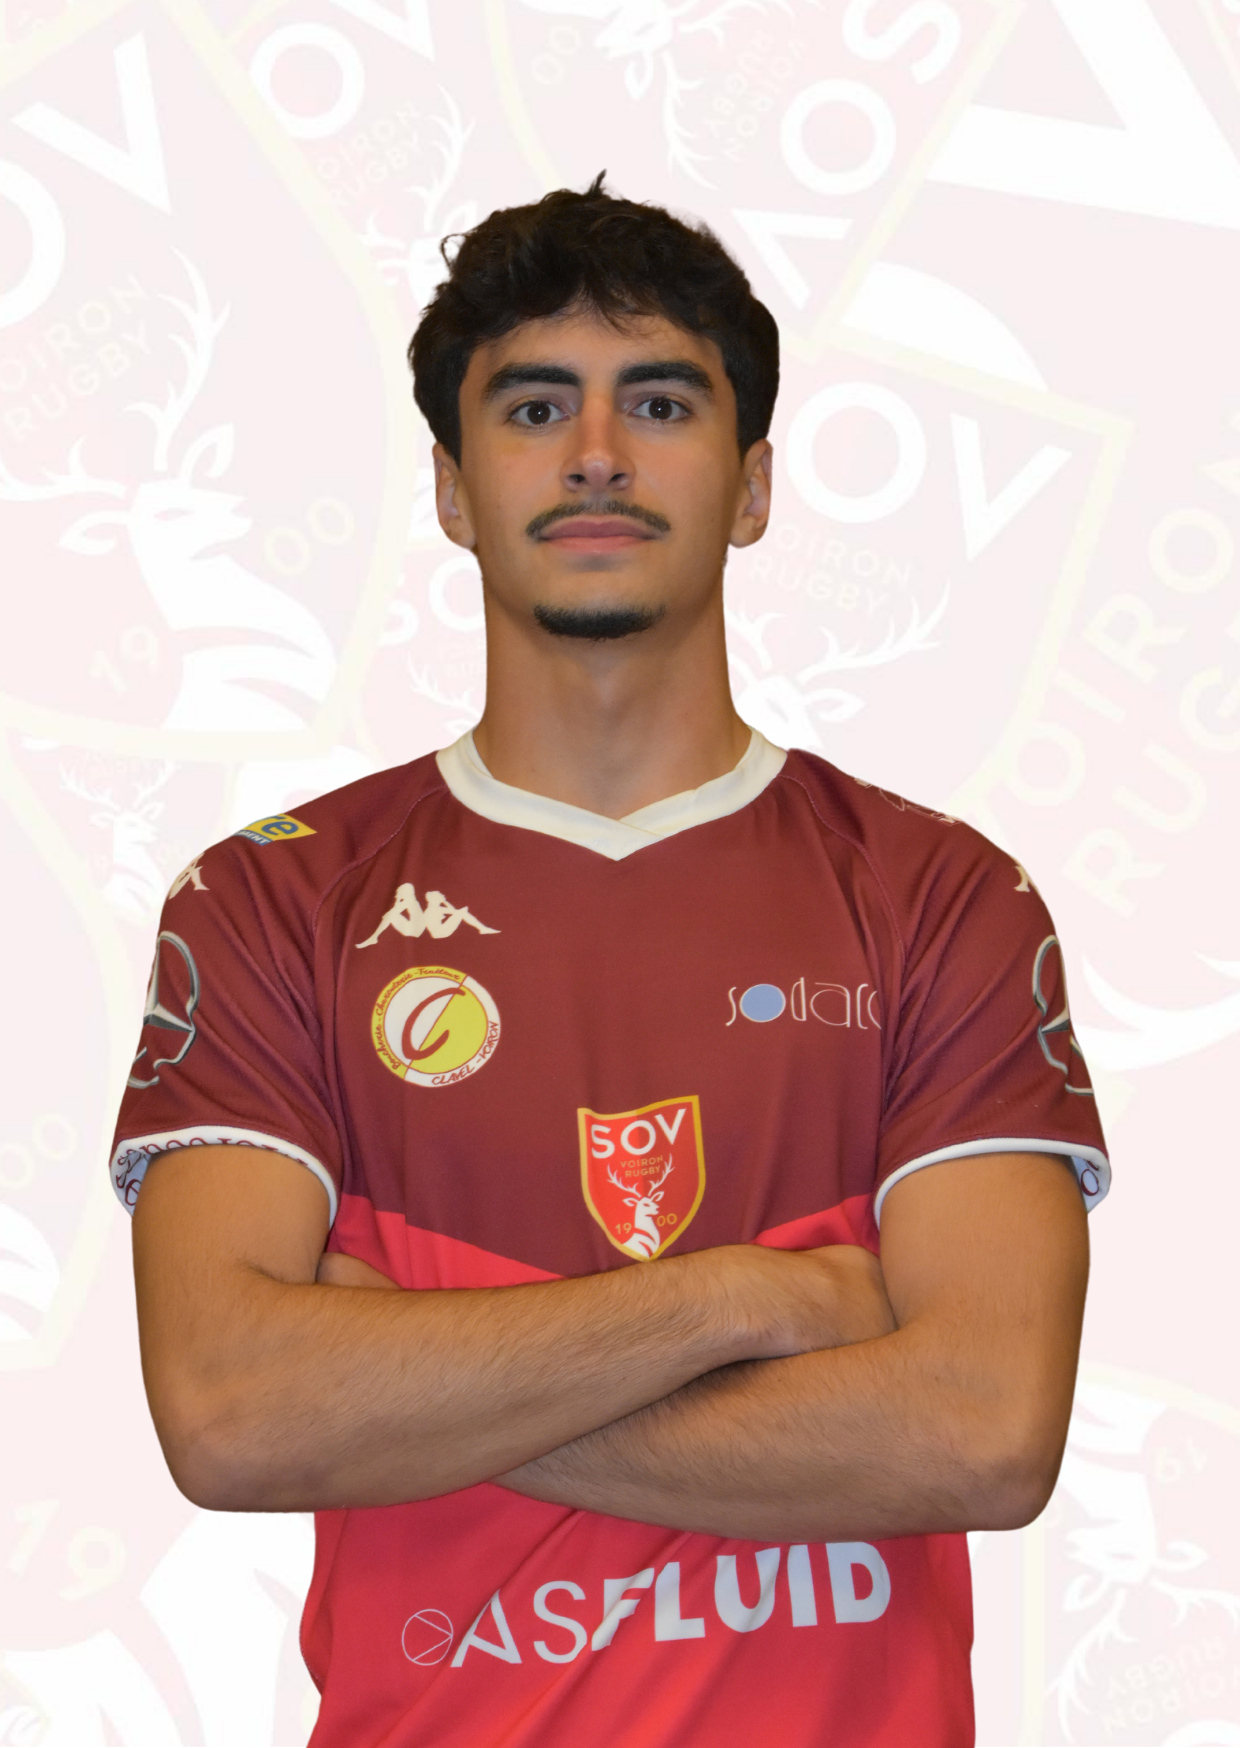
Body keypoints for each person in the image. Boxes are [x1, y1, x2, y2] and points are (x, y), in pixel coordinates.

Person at [112, 176, 1110, 1747]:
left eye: (658, 402)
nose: (595, 453)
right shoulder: (269, 903)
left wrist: (401, 1373)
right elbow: (233, 1414)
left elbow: (982, 1432)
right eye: (532, 409)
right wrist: (747, 1300)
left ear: (754, 484)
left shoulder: (941, 897)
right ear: (452, 489)